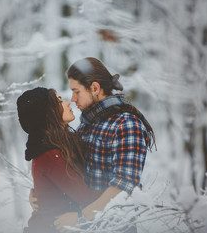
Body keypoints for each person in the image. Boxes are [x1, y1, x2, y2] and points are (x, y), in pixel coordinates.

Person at [53, 57, 156, 232]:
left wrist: (80, 218)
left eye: (76, 91)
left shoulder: (126, 124)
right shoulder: (88, 124)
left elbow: (124, 187)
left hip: (114, 228)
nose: (72, 98)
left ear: (94, 88)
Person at [16, 87, 104, 233]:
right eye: (59, 101)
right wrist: (121, 190)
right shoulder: (49, 154)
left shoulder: (59, 145)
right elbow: (86, 196)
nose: (68, 103)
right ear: (47, 113)